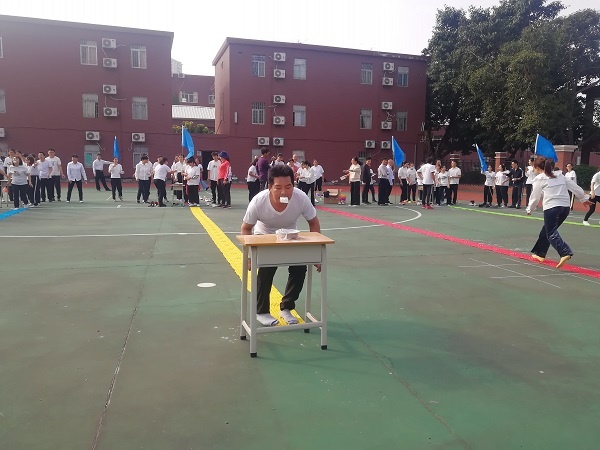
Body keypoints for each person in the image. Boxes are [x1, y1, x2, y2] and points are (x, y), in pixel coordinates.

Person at [241, 164, 321, 327]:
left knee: (300, 267)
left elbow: (314, 223)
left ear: (293, 185)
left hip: (290, 235)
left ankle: (287, 308)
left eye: (288, 187)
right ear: (270, 187)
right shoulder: (259, 201)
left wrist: (316, 252)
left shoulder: (300, 198)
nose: (284, 192)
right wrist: (249, 257)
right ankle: (262, 311)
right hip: (264, 235)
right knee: (266, 268)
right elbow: (246, 228)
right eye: (278, 187)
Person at [527, 156, 590, 268]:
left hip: (552, 208)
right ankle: (540, 253)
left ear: (537, 167)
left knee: (550, 232)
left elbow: (535, 197)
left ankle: (564, 252)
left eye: (533, 167)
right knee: (546, 230)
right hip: (565, 208)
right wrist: (583, 198)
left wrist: (530, 209)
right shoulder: (560, 175)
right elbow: (575, 187)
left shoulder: (540, 178)